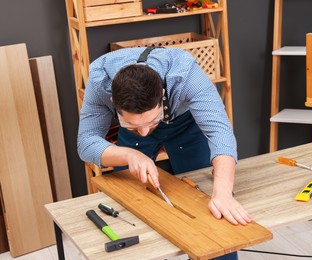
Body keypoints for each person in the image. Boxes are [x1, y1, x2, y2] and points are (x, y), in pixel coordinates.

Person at [78, 47, 251, 259]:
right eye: (133, 124)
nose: (143, 132)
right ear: (113, 102)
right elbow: (86, 142)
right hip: (129, 141)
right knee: (130, 203)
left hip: (184, 123)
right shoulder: (99, 79)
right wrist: (131, 154)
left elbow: (220, 133)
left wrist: (223, 193)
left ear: (162, 93)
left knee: (208, 204)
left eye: (150, 121)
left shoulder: (186, 73)